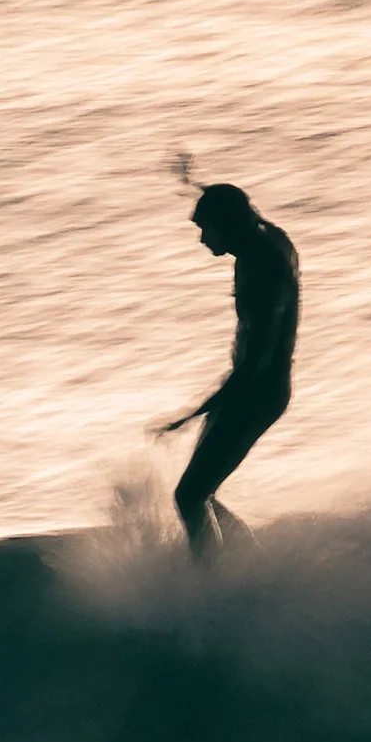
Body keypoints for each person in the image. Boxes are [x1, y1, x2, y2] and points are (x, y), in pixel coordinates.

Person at [151, 183, 300, 560]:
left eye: (206, 228)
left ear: (227, 224)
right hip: (251, 389)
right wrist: (192, 183)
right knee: (200, 492)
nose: (201, 239)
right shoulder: (263, 239)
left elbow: (256, 363)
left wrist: (193, 413)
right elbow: (241, 208)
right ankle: (249, 563)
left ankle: (212, 585)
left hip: (257, 393)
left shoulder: (265, 271)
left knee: (189, 495)